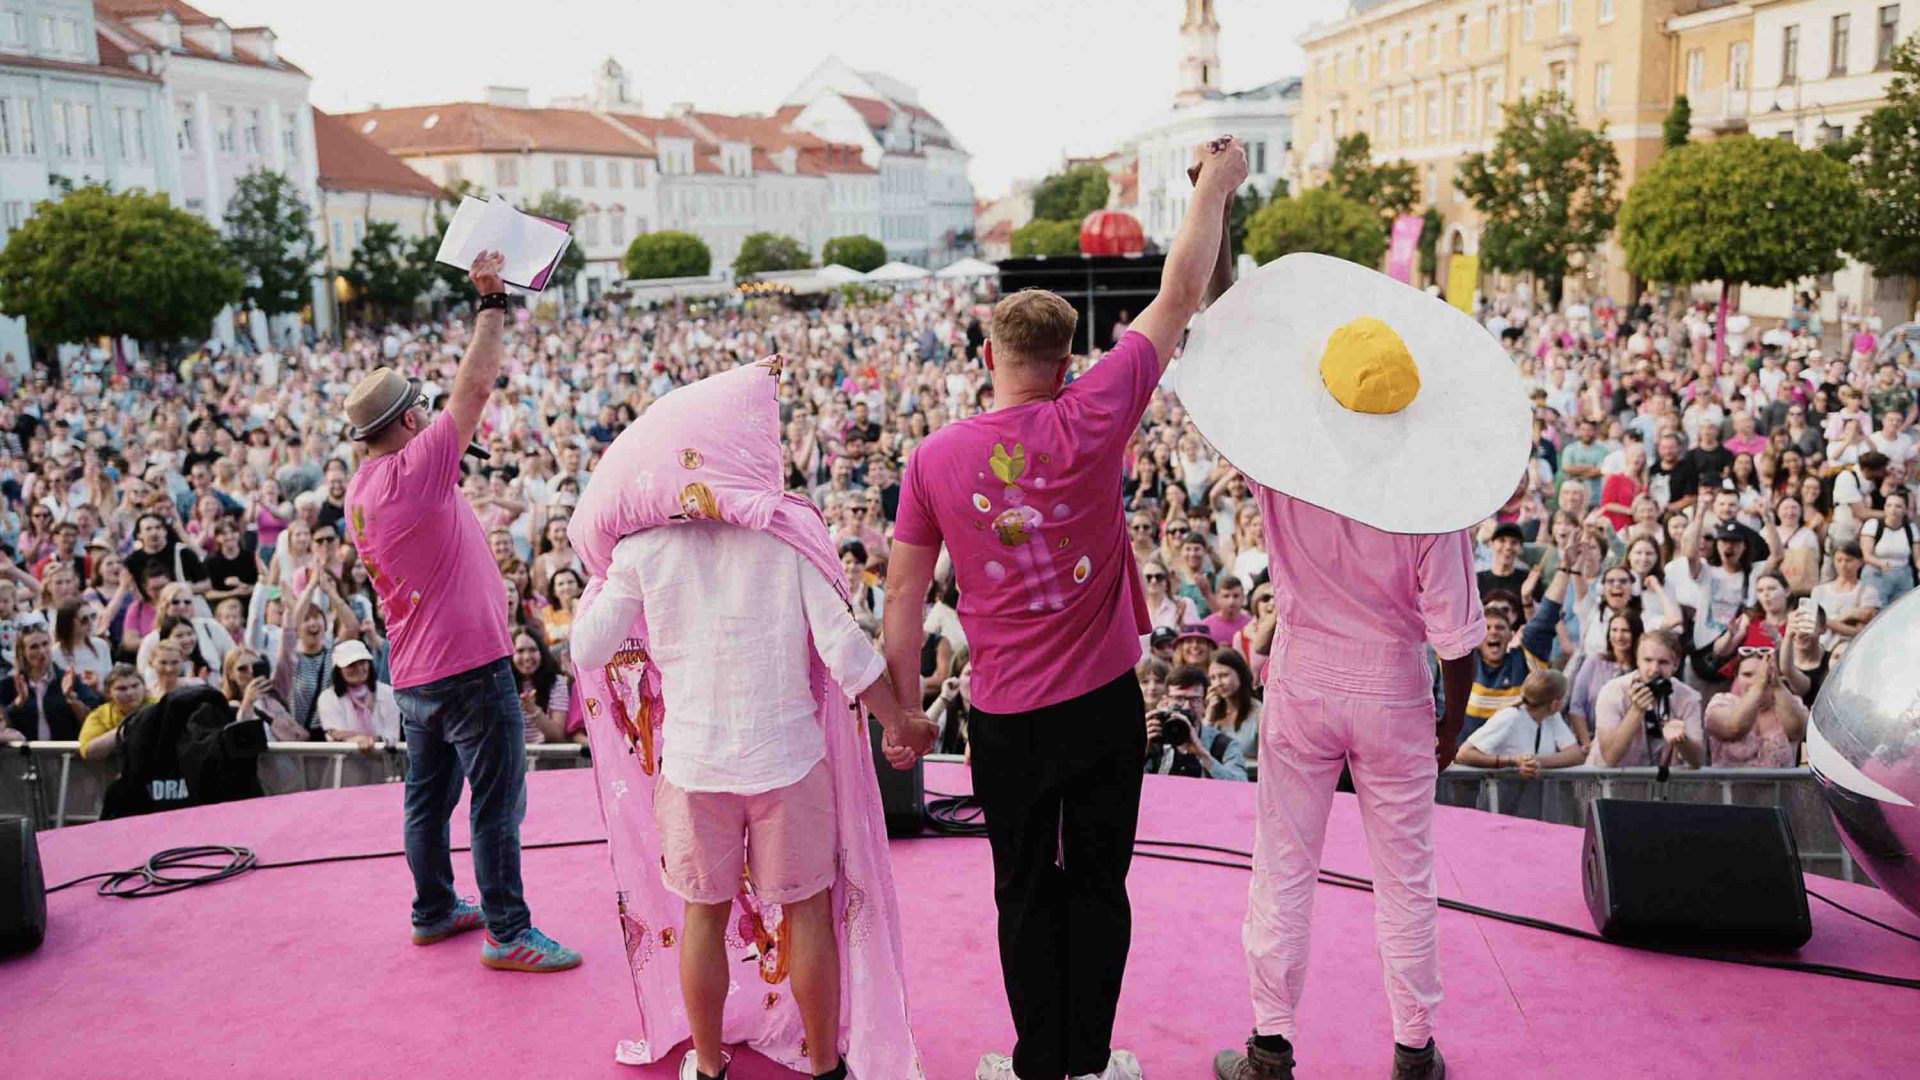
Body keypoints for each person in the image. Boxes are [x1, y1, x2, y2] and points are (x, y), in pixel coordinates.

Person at [885, 136, 1247, 1080]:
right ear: (1066, 359)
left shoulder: (932, 461)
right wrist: (1214, 185)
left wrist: (901, 714)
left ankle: (1036, 1061)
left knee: (1020, 894)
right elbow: (1177, 292)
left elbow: (903, 596)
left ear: (990, 355)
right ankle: (1089, 1061)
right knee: (1099, 886)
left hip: (1005, 716)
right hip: (1100, 708)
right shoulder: (1094, 412)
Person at [1203, 248, 1528, 1080]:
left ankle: (1270, 1047)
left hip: (1303, 678)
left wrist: (1219, 208)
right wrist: (1449, 726)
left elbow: (1233, 340)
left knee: (1282, 867)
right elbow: (1457, 640)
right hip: (1393, 692)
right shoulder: (1435, 497)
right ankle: (1414, 1053)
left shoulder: (1283, 466)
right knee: (1407, 880)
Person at [568, 355, 933, 1080]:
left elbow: (588, 647)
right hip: (787, 760)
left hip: (696, 766)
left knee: (700, 917)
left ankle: (707, 1067)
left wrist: (610, 573)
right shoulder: (785, 536)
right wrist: (900, 722)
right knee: (807, 918)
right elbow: (845, 651)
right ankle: (826, 1065)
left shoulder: (643, 549)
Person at [342, 251, 579, 971]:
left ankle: (434, 909)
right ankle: (507, 932)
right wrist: (491, 303)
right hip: (470, 667)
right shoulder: (416, 469)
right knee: (495, 805)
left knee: (427, 801)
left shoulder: (362, 487)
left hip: (415, 674)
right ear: (411, 418)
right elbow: (475, 387)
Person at [1587, 629, 1707, 768]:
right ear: (1637, 660)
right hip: (1604, 783)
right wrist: (1636, 710)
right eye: (1648, 660)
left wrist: (1681, 741)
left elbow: (1698, 761)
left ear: (1676, 664)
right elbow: (1609, 757)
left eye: (1663, 662)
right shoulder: (1613, 691)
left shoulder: (1688, 697)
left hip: (1658, 785)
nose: (1655, 669)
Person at [1454, 670, 1583, 774]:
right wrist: (1512, 761)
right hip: (1500, 796)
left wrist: (1535, 762)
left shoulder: (1553, 717)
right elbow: (1464, 754)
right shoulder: (1510, 717)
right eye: (1564, 697)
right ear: (1555, 704)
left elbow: (1575, 755)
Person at [1705, 651, 1808, 768]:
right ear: (1736, 678)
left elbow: (1796, 731)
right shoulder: (1721, 702)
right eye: (1747, 675)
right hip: (1730, 786)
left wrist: (1777, 686)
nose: (1756, 680)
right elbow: (1735, 728)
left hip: (1779, 786)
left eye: (1765, 674)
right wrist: (1759, 686)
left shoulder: (1793, 703)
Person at [0, 625, 103, 742]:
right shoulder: (9, 685)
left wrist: (72, 699)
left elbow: (91, 721)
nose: (42, 651)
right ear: (22, 652)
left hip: (64, 755)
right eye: (34, 647)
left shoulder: (68, 679)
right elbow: (4, 725)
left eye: (45, 644)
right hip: (23, 756)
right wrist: (18, 702)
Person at [1144, 664, 1247, 780]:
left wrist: (1203, 755)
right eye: (1178, 698)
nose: (1187, 706)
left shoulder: (1225, 745)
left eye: (1194, 699)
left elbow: (1241, 785)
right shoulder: (1155, 739)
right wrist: (1142, 749)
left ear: (1205, 704)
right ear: (1166, 702)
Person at [315, 638, 401, 751]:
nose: (359, 668)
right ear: (338, 670)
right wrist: (365, 739)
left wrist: (357, 737)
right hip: (346, 764)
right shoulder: (327, 698)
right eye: (351, 665)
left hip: (384, 764)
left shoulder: (387, 693)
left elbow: (392, 736)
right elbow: (336, 737)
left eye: (362, 662)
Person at [76, 663, 151, 761]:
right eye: (122, 689)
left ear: (144, 687)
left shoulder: (161, 705)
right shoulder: (99, 715)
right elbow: (87, 752)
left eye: (135, 686)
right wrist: (125, 730)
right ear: (108, 693)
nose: (130, 693)